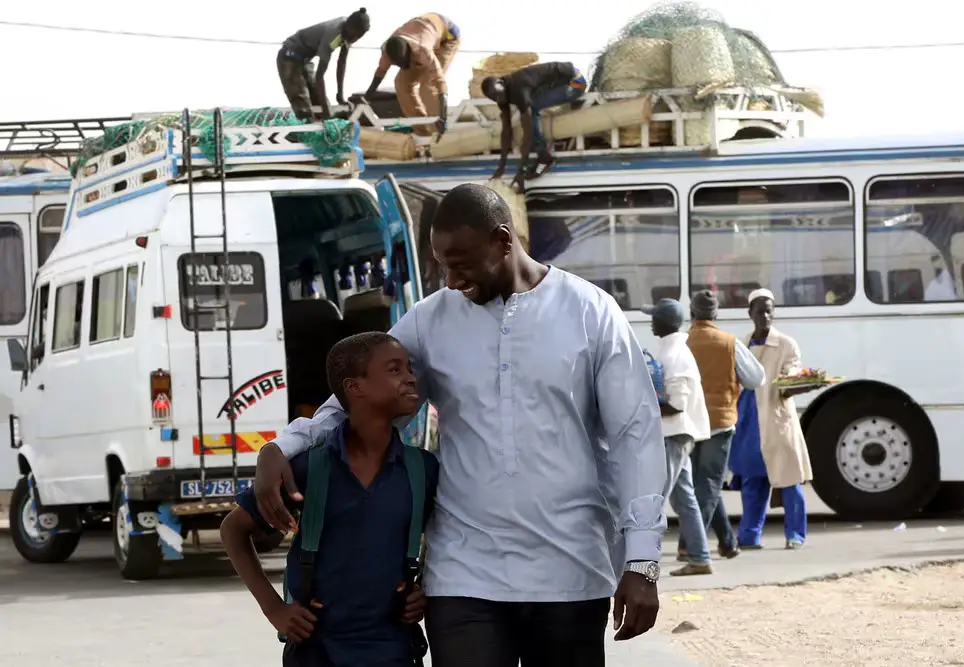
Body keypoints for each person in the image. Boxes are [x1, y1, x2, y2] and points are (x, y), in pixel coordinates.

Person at [252, 183, 667, 667]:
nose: (449, 280)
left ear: (504, 241)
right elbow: (355, 397)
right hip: (464, 571)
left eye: (462, 264)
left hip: (572, 568)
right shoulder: (431, 320)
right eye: (442, 265)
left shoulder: (591, 312)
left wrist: (642, 561)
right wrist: (281, 447)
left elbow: (634, 436)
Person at [220, 332, 438, 666]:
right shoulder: (309, 469)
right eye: (395, 370)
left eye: (410, 368)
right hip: (316, 651)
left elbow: (450, 538)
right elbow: (234, 530)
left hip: (394, 648)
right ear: (355, 388)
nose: (411, 377)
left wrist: (422, 587)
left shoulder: (422, 470)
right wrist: (274, 608)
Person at [677, 290, 765, 562]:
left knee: (701, 485)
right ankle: (689, 544)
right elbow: (755, 379)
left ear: (692, 313)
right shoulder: (729, 343)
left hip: (689, 424)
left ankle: (727, 542)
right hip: (720, 423)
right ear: (716, 315)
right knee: (710, 484)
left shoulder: (682, 342)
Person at [728, 288, 818, 549]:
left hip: (776, 420)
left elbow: (789, 377)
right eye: (760, 311)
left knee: (789, 480)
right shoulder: (741, 344)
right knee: (752, 483)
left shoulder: (787, 345)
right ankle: (748, 536)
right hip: (747, 420)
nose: (765, 316)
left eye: (769, 310)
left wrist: (803, 383)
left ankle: (795, 535)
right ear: (750, 314)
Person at [643, 298, 714, 577]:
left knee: (655, 499)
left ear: (663, 322)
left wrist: (644, 404)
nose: (650, 321)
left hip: (674, 434)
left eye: (654, 317)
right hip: (677, 433)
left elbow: (677, 405)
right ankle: (700, 558)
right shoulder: (673, 351)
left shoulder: (674, 356)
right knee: (684, 499)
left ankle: (642, 564)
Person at [480, 62, 588, 183]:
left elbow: (528, 131)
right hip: (559, 81)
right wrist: (501, 167)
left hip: (576, 83)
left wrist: (521, 168)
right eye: (495, 98)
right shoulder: (500, 94)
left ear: (501, 83)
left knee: (534, 107)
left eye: (499, 96)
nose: (500, 100)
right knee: (533, 103)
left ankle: (544, 157)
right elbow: (506, 130)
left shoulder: (519, 87)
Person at [364, 13, 461, 139]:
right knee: (401, 83)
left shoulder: (422, 51)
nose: (405, 67)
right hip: (420, 32)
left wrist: (442, 116)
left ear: (411, 55)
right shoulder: (388, 50)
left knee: (428, 84)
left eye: (407, 63)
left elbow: (439, 82)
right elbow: (381, 72)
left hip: (447, 38)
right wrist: (369, 94)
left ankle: (438, 133)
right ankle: (422, 132)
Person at [277, 9, 371, 121]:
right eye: (355, 36)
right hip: (289, 58)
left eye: (359, 37)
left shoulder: (348, 32)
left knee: (320, 101)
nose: (355, 39)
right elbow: (320, 76)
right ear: (349, 28)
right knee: (304, 108)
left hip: (304, 61)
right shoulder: (333, 36)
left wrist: (340, 96)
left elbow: (341, 64)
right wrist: (326, 110)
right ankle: (308, 129)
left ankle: (324, 125)